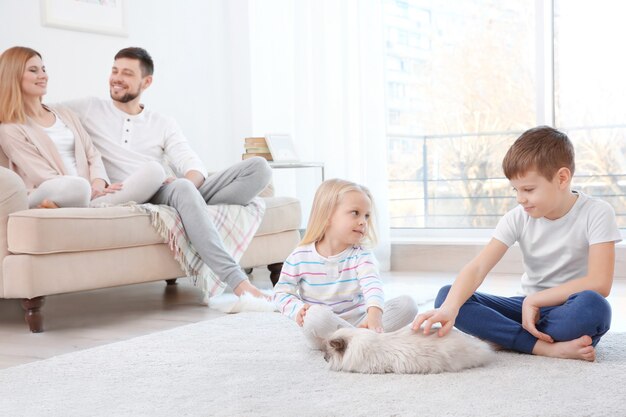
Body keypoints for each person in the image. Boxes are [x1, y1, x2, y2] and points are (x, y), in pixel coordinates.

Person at [63, 47, 272, 298]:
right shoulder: (88, 108)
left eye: (127, 73)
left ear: (146, 81)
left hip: (164, 189)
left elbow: (193, 165)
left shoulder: (162, 122)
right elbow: (37, 111)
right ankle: (237, 282)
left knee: (259, 168)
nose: (117, 77)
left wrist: (183, 184)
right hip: (131, 192)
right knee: (181, 188)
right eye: (114, 70)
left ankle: (188, 206)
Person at [412, 126, 621, 361]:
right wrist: (449, 309)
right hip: (522, 308)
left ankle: (508, 337)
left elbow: (600, 283)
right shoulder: (517, 216)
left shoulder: (597, 212)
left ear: (562, 178)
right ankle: (543, 346)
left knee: (594, 307)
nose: (520, 198)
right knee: (448, 296)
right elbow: (478, 268)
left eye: (529, 189)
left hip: (566, 308)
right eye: (516, 189)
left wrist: (536, 300)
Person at [0, 46, 165, 209]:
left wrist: (98, 184)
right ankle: (94, 206)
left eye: (43, 69)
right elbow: (41, 175)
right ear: (13, 76)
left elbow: (92, 154)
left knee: (155, 171)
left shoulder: (65, 114)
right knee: (77, 187)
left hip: (89, 193)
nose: (43, 75)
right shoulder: (11, 128)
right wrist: (85, 188)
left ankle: (93, 208)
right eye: (33, 70)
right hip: (52, 190)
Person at [274, 178, 418, 349]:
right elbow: (281, 293)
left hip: (360, 323)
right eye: (355, 213)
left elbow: (372, 285)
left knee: (408, 305)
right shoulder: (300, 255)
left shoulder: (361, 254)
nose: (363, 221)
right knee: (315, 316)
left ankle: (352, 341)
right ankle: (361, 340)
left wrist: (374, 314)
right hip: (323, 331)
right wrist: (297, 309)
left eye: (366, 215)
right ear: (327, 216)